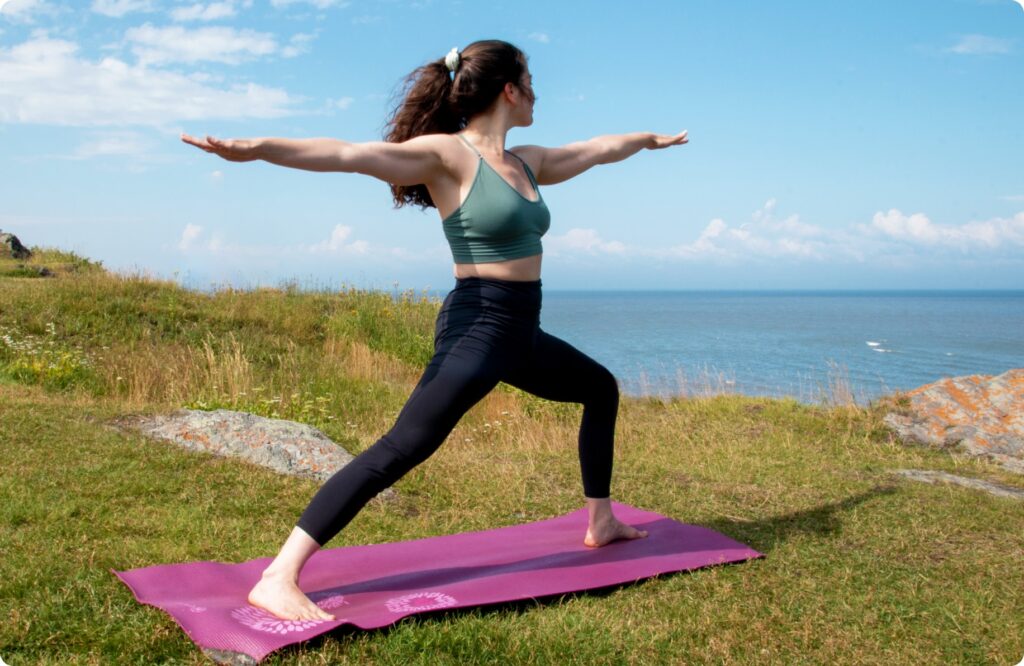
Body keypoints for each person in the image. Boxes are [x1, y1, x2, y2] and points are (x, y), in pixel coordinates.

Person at [181, 39, 689, 622]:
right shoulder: (448, 156)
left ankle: (600, 520)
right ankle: (279, 575)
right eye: (531, 81)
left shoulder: (527, 161)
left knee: (598, 388)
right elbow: (349, 153)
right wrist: (255, 149)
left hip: (521, 329)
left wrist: (648, 141)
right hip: (479, 324)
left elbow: (596, 149)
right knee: (403, 447)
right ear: (509, 89)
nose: (537, 93)